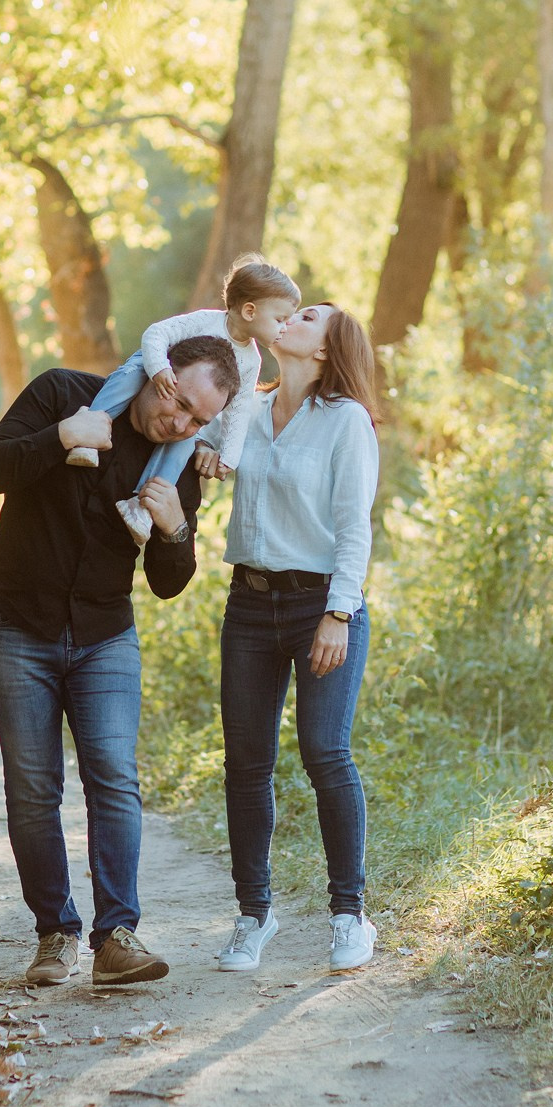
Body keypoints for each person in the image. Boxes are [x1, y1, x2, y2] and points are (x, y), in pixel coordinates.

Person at [0, 334, 243, 988]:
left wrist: (177, 529)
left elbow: (166, 582)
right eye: (177, 401)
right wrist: (60, 437)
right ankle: (54, 933)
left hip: (104, 635)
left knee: (115, 775)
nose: (179, 423)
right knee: (33, 787)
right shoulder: (65, 393)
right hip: (17, 623)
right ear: (160, 371)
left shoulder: (176, 459)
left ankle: (116, 935)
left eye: (198, 420)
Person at [209, 303, 384, 974]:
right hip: (250, 603)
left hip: (322, 605)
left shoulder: (346, 422)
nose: (292, 314)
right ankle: (255, 913)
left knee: (324, 751)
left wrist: (338, 614)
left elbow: (353, 527)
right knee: (247, 762)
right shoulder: (245, 409)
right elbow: (209, 457)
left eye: (308, 316)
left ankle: (351, 913)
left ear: (326, 348)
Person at [65, 255, 301, 545]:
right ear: (250, 311)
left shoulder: (251, 360)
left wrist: (228, 457)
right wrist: (159, 368)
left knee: (184, 442)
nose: (285, 328)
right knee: (129, 376)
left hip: (186, 407)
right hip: (157, 371)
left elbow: (238, 410)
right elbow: (157, 334)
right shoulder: (206, 321)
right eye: (280, 320)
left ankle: (141, 505)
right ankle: (88, 436)